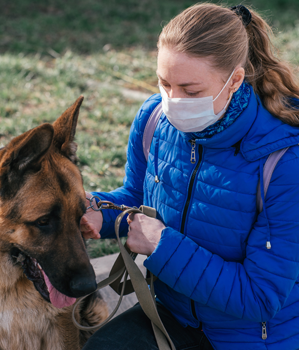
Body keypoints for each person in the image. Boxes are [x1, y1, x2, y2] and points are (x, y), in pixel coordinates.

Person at [80, 3, 299, 350]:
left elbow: (260, 297)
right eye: (164, 83)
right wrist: (100, 213)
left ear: (235, 81)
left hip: (252, 338)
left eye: (191, 91)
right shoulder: (154, 119)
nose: (172, 101)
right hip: (172, 314)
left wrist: (162, 246)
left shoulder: (284, 161)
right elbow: (137, 199)